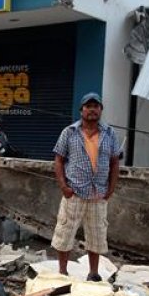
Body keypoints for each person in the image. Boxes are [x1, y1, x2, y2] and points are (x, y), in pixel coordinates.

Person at [51, 92, 121, 280]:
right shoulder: (69, 132)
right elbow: (58, 160)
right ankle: (62, 272)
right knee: (65, 232)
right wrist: (63, 187)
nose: (92, 109)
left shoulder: (110, 133)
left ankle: (94, 273)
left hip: (98, 194)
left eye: (96, 106)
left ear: (100, 110)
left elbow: (115, 162)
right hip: (74, 192)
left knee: (97, 235)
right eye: (88, 106)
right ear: (81, 110)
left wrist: (111, 188)